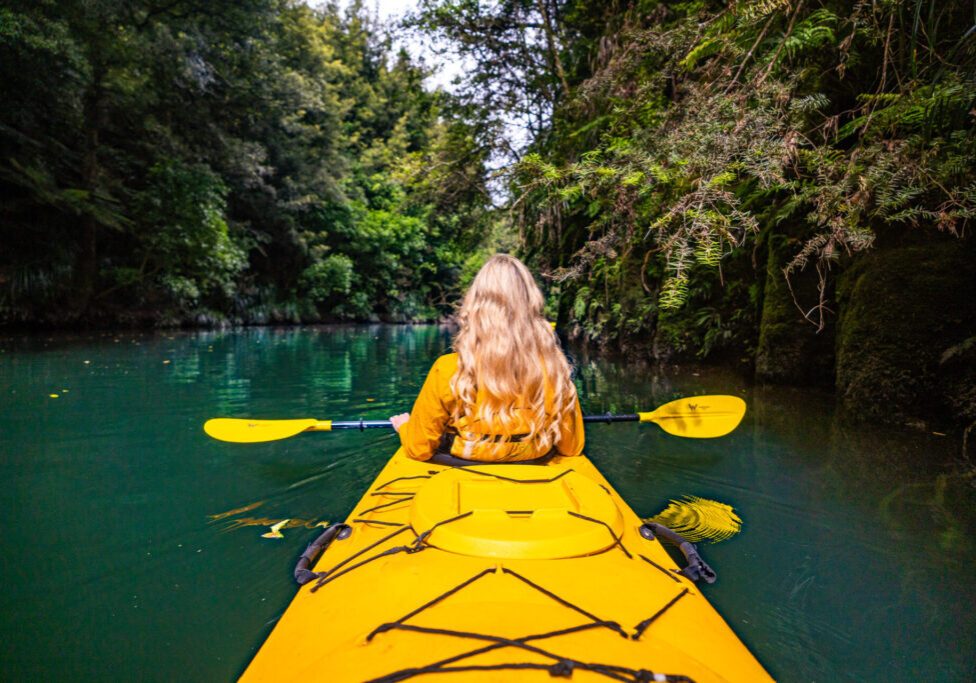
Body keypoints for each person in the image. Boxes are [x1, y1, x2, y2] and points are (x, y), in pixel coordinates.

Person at [389, 254, 584, 462]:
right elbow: (571, 447)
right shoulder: (553, 369)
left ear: (475, 306)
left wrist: (405, 427)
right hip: (534, 459)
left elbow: (419, 450)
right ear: (531, 306)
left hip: (462, 463)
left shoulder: (448, 368)